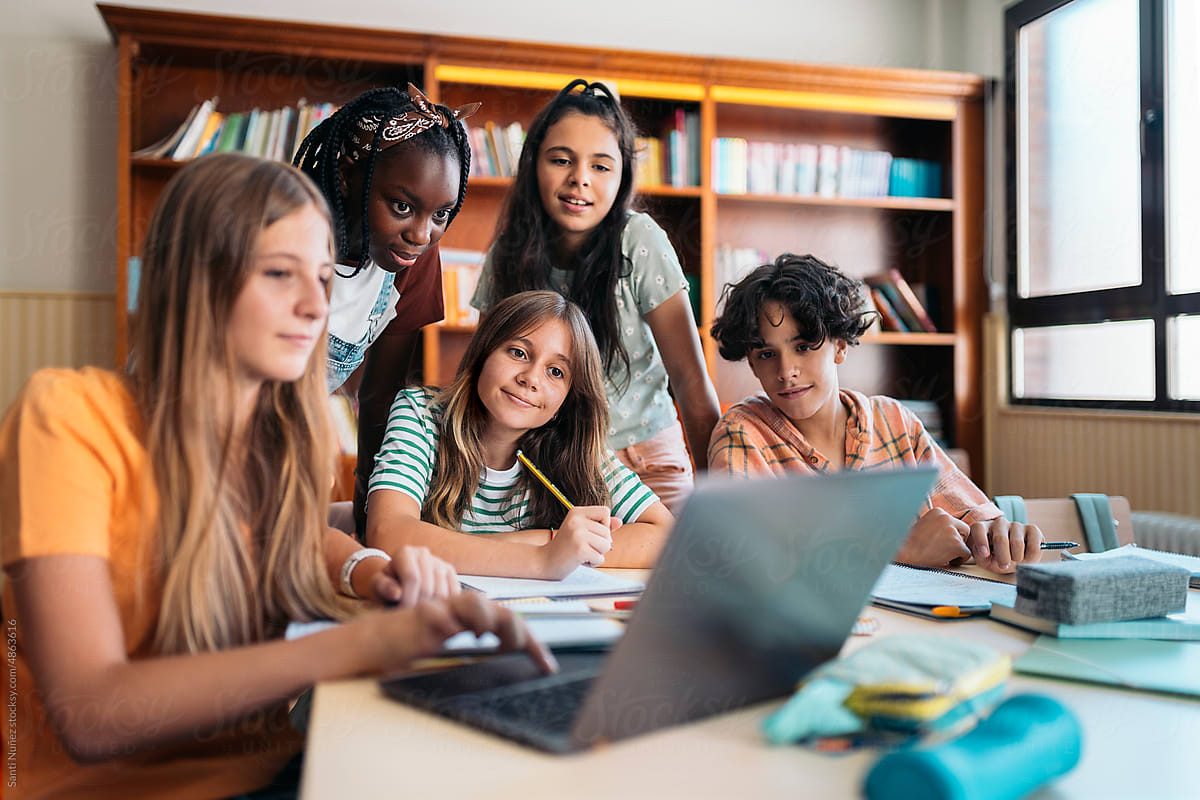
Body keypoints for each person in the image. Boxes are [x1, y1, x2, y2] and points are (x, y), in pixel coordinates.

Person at [0, 153, 552, 800]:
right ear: (197, 281)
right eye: (280, 273)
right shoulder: (67, 416)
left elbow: (287, 535)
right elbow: (92, 712)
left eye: (323, 277)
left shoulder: (278, 440)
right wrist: (365, 644)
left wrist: (374, 574)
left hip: (277, 770)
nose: (315, 304)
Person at [470, 79, 719, 513]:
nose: (579, 179)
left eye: (601, 166)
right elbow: (482, 377)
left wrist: (719, 502)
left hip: (646, 464)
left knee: (680, 572)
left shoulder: (639, 240)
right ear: (534, 165)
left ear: (622, 175)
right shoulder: (507, 252)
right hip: (548, 468)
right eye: (561, 160)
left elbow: (692, 384)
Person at [707, 253, 1043, 574]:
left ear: (839, 346)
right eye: (767, 354)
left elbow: (978, 518)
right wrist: (898, 548)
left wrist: (999, 537)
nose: (786, 370)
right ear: (751, 363)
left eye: (804, 347)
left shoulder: (895, 421)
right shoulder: (743, 432)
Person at [367, 290, 673, 579]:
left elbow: (666, 536)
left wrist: (549, 544)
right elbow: (388, 533)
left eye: (556, 372)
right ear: (483, 354)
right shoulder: (421, 413)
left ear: (567, 400)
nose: (530, 378)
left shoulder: (576, 449)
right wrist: (544, 557)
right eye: (518, 352)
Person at [294, 83, 479, 534]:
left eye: (441, 214)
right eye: (402, 206)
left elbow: (379, 399)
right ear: (346, 179)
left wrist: (368, 523)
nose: (421, 234)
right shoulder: (289, 239)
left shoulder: (411, 263)